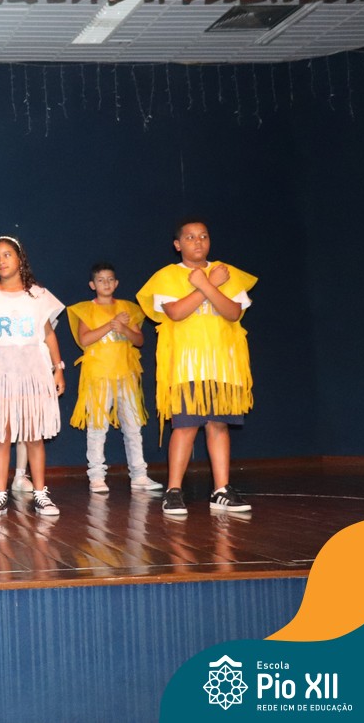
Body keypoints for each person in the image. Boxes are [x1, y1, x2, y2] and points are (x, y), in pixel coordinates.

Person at [137, 220, 256, 516]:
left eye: (203, 236)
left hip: (222, 363)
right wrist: (208, 284)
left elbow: (233, 312)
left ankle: (221, 490)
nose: (198, 241)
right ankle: (173, 490)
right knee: (185, 426)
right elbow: (176, 312)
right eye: (190, 237)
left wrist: (207, 283)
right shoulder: (167, 276)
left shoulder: (225, 272)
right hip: (186, 365)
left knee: (218, 425)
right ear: (178, 245)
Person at [0, 236, 66, 518]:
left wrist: (58, 368)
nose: (1, 261)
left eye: (7, 255)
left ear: (19, 259)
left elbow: (48, 335)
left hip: (32, 374)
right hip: (0, 374)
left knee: (33, 435)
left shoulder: (38, 296)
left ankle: (40, 493)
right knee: (1, 436)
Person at [67, 263, 163, 493]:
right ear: (92, 285)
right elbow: (84, 340)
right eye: (101, 280)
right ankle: (96, 476)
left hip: (126, 375)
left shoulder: (127, 308)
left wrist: (124, 328)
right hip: (99, 376)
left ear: (116, 283)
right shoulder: (87, 310)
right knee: (97, 428)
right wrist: (111, 325)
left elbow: (139, 340)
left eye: (110, 279)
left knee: (133, 428)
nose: (106, 283)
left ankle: (139, 475)